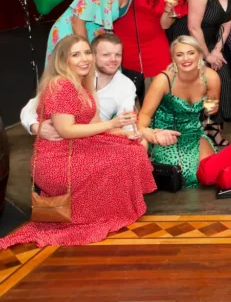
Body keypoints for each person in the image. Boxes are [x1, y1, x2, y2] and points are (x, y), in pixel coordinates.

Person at [0, 35, 153, 249]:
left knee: (132, 150)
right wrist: (113, 124)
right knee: (118, 159)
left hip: (76, 148)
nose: (84, 59)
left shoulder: (82, 83)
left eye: (87, 53)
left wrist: (123, 133)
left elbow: (94, 123)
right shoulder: (61, 86)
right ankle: (95, 214)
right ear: (63, 60)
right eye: (76, 54)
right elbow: (67, 131)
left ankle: (104, 211)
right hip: (57, 159)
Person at [137, 36, 220, 189]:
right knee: (184, 176)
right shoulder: (164, 80)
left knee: (210, 172)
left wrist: (212, 109)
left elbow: (212, 106)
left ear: (200, 54)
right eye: (179, 55)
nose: (186, 59)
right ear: (173, 58)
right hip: (166, 134)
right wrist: (149, 134)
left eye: (191, 53)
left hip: (194, 132)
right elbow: (144, 116)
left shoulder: (211, 77)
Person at [21, 33, 138, 139]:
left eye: (118, 55)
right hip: (68, 144)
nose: (113, 59)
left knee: (137, 146)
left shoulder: (126, 85)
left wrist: (127, 133)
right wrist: (35, 126)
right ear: (94, 55)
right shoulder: (66, 81)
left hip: (97, 135)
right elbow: (31, 108)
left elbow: (125, 122)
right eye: (106, 55)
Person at [181, 0, 231, 131]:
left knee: (224, 78)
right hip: (193, 43)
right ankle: (202, 127)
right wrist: (207, 55)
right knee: (205, 82)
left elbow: (227, 22)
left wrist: (218, 50)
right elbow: (193, 27)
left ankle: (214, 126)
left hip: (214, 41)